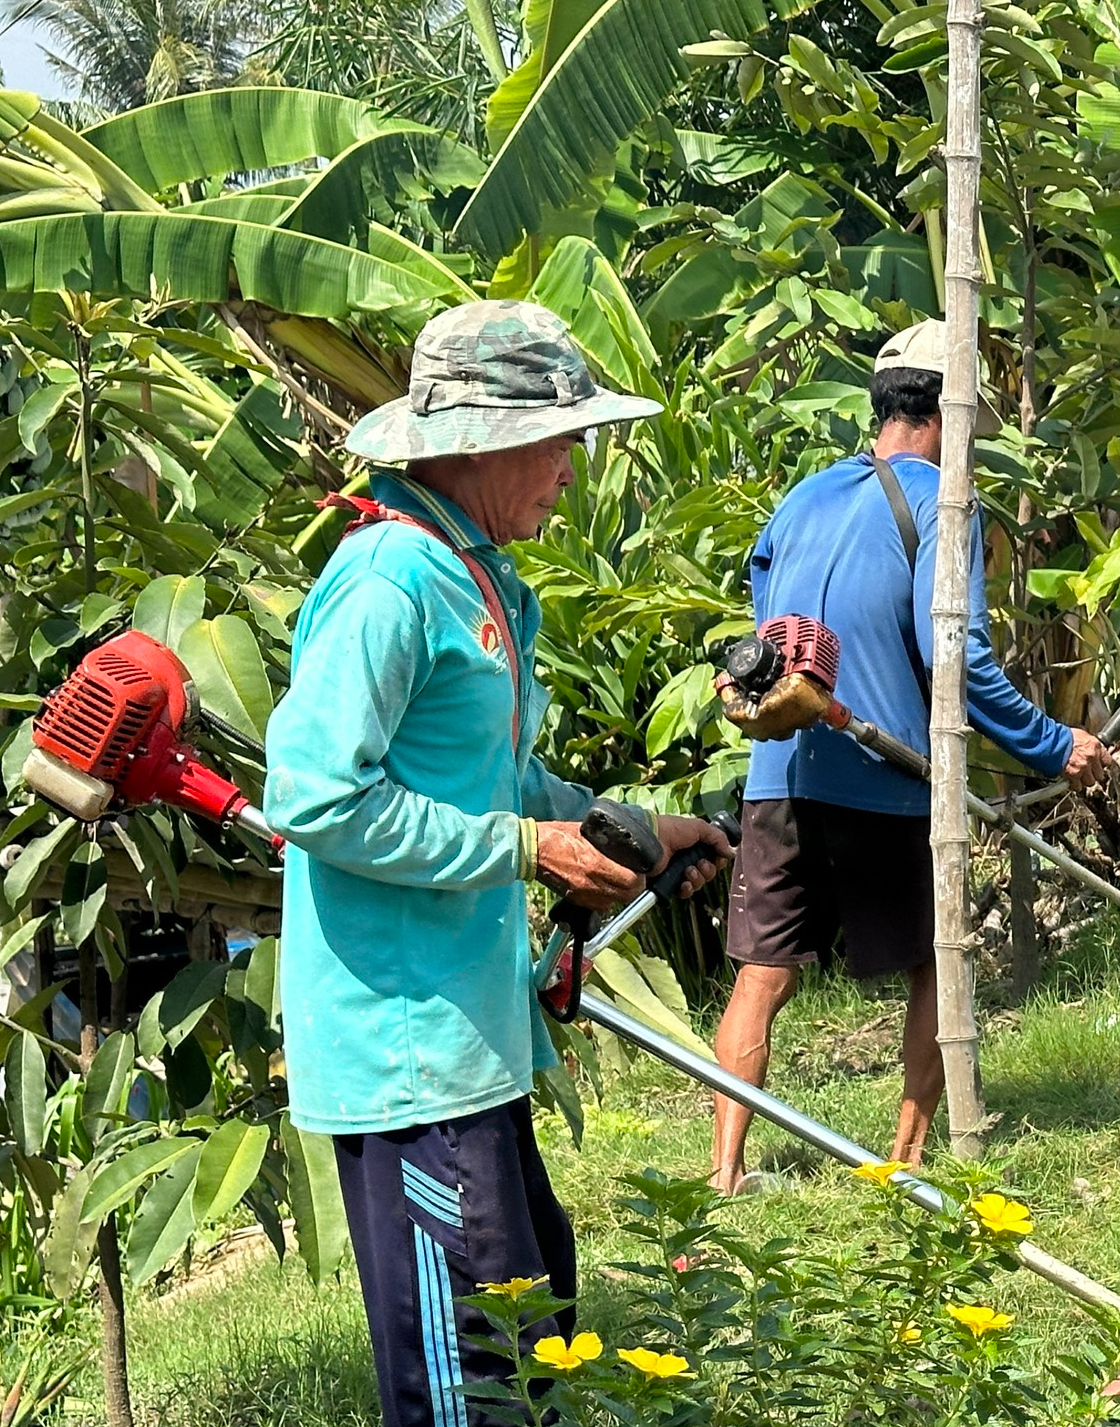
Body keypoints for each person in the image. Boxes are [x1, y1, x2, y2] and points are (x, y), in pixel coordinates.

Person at [265, 300, 733, 1427]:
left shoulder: (472, 578)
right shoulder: (389, 581)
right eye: (564, 438)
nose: (575, 467)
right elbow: (316, 793)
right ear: (481, 442)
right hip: (404, 1049)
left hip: (471, 1038)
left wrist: (624, 822)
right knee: (467, 1375)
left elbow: (493, 781)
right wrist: (530, 848)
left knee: (533, 1329)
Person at [707, 319, 1108, 1191]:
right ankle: (910, 1156)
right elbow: (957, 659)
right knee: (935, 956)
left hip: (778, 771)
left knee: (763, 973)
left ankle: (723, 1175)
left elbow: (767, 623)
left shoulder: (801, 498)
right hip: (884, 779)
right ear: (949, 413)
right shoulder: (943, 503)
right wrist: (1052, 747)